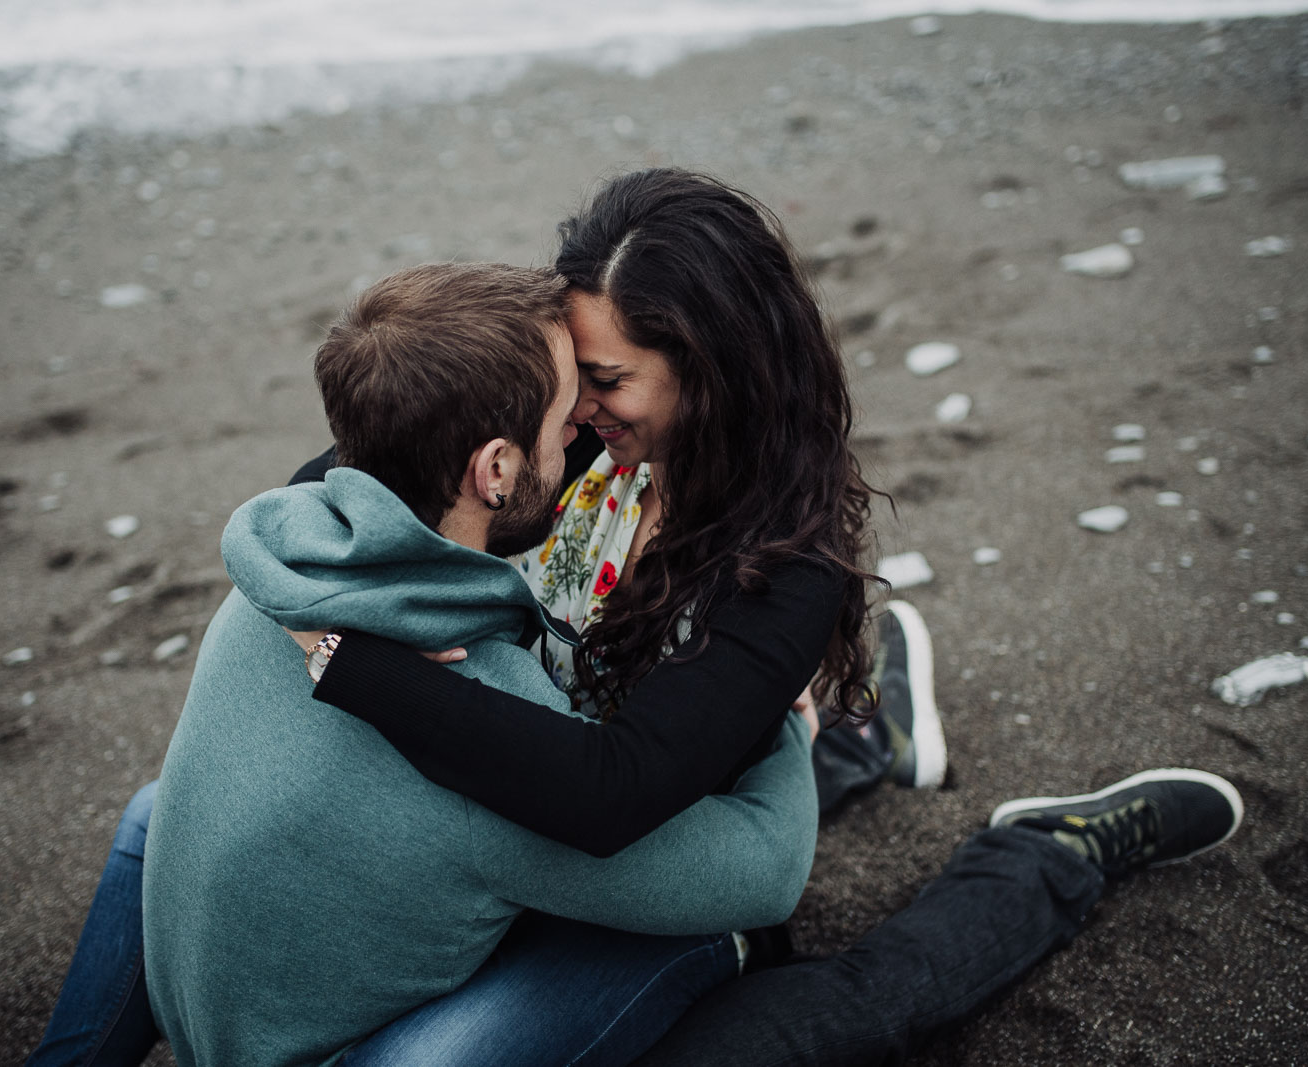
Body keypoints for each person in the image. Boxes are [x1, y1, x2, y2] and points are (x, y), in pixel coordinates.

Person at [29, 169, 1244, 1067]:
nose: (585, 408)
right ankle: (867, 735)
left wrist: (356, 662)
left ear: (705, 368)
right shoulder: (532, 454)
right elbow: (369, 471)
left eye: (604, 381)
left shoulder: (781, 565)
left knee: (816, 1020)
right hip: (544, 800)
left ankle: (1045, 850)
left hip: (625, 815)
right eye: (572, 374)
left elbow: (679, 829)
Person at [145, 260, 818, 1067]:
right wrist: (782, 723)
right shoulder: (502, 736)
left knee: (146, 817)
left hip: (206, 1022)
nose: (581, 434)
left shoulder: (274, 580)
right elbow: (764, 872)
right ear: (495, 469)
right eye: (566, 410)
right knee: (702, 928)